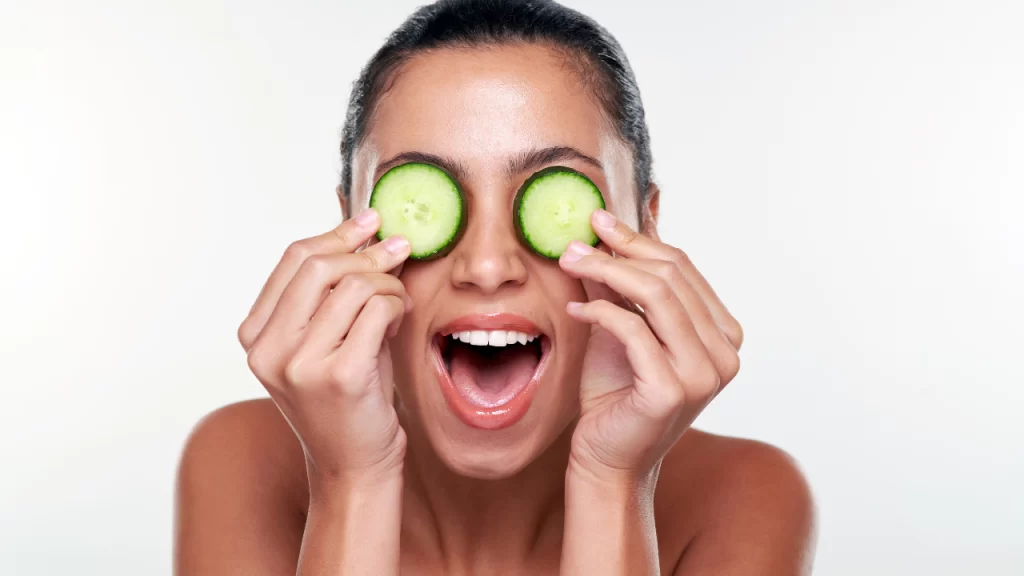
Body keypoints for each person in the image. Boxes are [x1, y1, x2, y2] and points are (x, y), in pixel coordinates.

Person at [174, 1, 815, 573]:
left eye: (556, 195)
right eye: (419, 197)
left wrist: (615, 481)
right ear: (350, 227)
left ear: (646, 225)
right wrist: (351, 482)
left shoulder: (747, 493)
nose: (486, 265)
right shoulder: (240, 464)